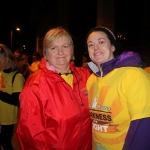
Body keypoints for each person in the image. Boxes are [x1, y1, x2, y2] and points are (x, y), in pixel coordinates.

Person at [16, 27, 92, 150]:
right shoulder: (35, 84)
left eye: (65, 46)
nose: (60, 52)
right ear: (45, 53)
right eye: (53, 48)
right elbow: (30, 135)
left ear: (72, 51)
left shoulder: (85, 76)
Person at [86, 26, 150, 150]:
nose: (95, 48)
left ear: (113, 47)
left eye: (101, 42)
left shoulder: (134, 75)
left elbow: (143, 126)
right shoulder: (91, 80)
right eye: (90, 45)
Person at [0, 44, 25, 150]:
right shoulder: (0, 72)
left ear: (7, 58)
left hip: (7, 118)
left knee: (5, 142)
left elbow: (17, 101)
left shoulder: (17, 76)